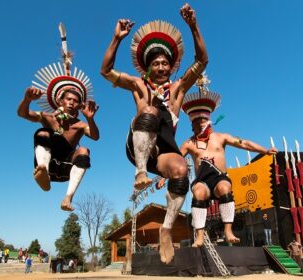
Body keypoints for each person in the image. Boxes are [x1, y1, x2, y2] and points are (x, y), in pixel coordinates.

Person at [100, 3, 207, 264]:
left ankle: (167, 228)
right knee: (148, 111)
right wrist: (116, 38)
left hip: (163, 152)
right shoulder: (139, 85)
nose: (160, 66)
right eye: (156, 63)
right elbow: (105, 71)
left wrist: (193, 26)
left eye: (165, 63)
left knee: (181, 169)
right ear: (148, 67)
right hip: (138, 145)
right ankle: (139, 173)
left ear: (171, 67)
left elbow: (202, 60)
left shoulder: (179, 90)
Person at [177, 91, 277, 247]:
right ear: (192, 125)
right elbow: (176, 160)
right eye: (195, 122)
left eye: (202, 120)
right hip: (202, 180)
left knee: (224, 188)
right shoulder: (189, 143)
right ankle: (200, 236)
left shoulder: (221, 137)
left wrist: (264, 150)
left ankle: (228, 231)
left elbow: (243, 143)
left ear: (208, 121)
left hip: (219, 178)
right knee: (198, 192)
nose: (199, 124)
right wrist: (164, 177)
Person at [18, 24, 99, 211]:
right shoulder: (48, 117)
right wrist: (27, 99)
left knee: (84, 149)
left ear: (79, 105)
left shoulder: (79, 125)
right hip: (47, 163)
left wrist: (91, 119)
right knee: (43, 132)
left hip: (65, 169)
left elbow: (95, 136)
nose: (71, 102)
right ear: (60, 101)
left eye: (75, 101)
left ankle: (68, 198)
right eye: (68, 99)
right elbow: (22, 114)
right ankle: (43, 172)